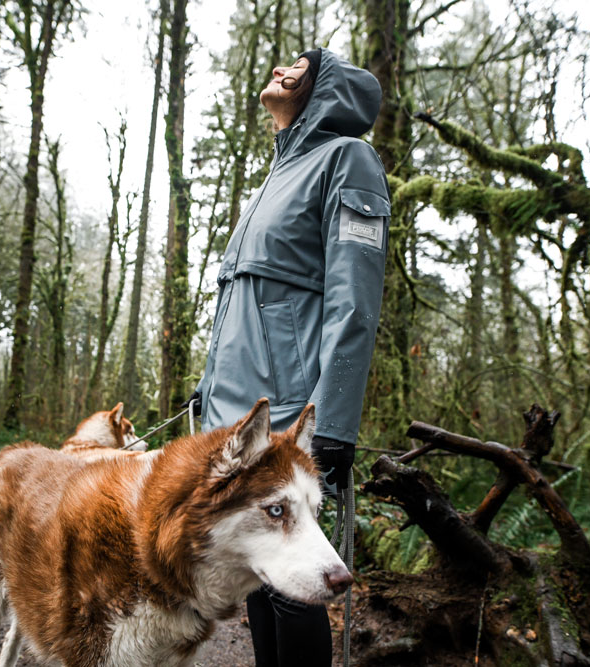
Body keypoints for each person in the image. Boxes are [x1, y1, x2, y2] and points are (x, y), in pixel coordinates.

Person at [188, 48, 389, 666]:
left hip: (294, 415)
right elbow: (242, 305)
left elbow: (354, 303)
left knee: (298, 586)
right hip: (234, 416)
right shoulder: (272, 179)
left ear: (322, 86)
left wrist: (331, 422)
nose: (278, 71)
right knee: (261, 573)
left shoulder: (347, 161)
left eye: (295, 67)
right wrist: (205, 389)